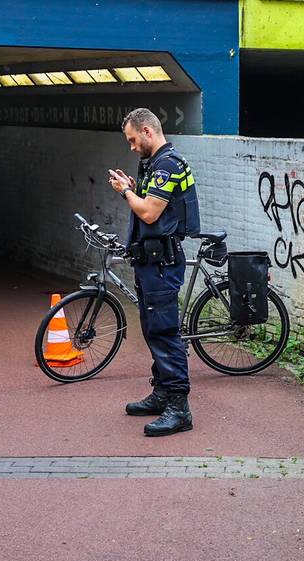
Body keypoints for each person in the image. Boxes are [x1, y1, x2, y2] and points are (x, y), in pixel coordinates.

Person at [107, 108, 200, 436]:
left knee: (164, 332)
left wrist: (126, 192)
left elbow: (148, 213)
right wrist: (134, 188)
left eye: (133, 140)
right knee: (152, 329)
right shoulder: (156, 164)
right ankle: (162, 393)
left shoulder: (167, 165)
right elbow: (155, 205)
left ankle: (179, 407)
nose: (132, 147)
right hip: (151, 263)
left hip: (161, 265)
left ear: (147, 131)